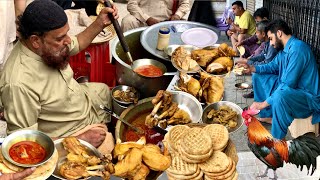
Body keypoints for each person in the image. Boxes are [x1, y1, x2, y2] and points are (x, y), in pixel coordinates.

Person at [0, 0, 118, 150]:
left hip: (84, 100)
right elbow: (24, 143)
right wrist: (78, 140)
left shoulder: (48, 47)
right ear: (35, 41)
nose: (68, 40)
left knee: (109, 92)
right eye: (60, 38)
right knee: (110, 148)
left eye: (66, 34)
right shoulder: (18, 84)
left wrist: (100, 22)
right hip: (70, 131)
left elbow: (78, 42)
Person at [241, 19, 320, 139]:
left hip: (306, 97)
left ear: (279, 33)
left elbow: (288, 85)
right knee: (258, 75)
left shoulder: (298, 49)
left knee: (280, 96)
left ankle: (277, 141)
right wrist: (252, 68)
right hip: (292, 88)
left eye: (271, 38)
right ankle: (268, 115)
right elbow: (272, 66)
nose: (271, 43)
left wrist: (263, 104)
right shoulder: (284, 51)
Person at [236, 20, 278, 98]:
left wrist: (249, 62)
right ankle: (255, 91)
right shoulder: (266, 43)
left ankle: (259, 96)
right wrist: (248, 60)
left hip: (274, 73)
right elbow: (262, 55)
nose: (256, 35)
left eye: (257, 32)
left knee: (256, 73)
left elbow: (267, 63)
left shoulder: (272, 45)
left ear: (263, 34)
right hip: (269, 68)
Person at [121, 0, 190, 32]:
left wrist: (177, 15)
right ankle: (126, 56)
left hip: (168, 22)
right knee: (127, 21)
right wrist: (147, 19)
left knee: (188, 29)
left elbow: (185, 4)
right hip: (143, 20)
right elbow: (131, 5)